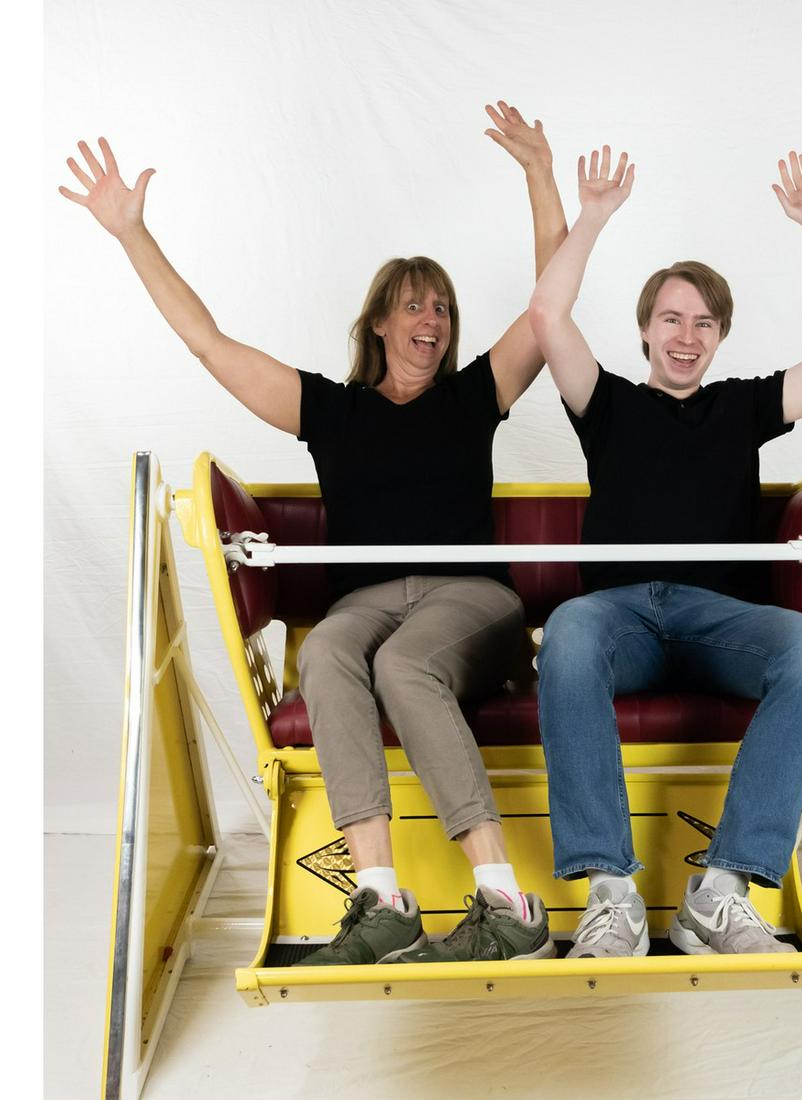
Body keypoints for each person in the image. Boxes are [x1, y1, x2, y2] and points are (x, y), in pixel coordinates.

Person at [59, 101, 569, 965]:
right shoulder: (328, 411)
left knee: (404, 666)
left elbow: (554, 306)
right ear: (380, 323)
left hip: (470, 601)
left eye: (443, 306)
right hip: (366, 602)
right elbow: (207, 344)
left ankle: (506, 902)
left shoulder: (474, 394)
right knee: (328, 651)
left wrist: (539, 174)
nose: (433, 318)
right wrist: (129, 234)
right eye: (414, 304)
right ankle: (382, 901)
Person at [528, 147, 802, 957]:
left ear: (720, 337)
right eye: (671, 320)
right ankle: (611, 895)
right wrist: (594, 215)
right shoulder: (606, 403)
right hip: (619, 620)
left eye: (703, 324)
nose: (686, 338)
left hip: (717, 620)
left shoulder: (742, 407)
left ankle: (721, 893)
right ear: (646, 330)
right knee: (569, 631)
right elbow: (548, 317)